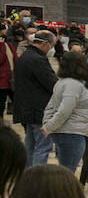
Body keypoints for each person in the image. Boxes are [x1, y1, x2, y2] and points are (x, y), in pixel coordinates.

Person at [42, 50, 88, 174]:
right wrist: (48, 126)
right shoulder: (73, 84)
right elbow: (64, 110)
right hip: (71, 134)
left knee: (65, 171)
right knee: (67, 174)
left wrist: (47, 124)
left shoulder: (62, 82)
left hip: (67, 132)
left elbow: (50, 106)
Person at [13, 29, 57, 165]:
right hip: (39, 111)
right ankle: (36, 181)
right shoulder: (38, 60)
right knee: (42, 149)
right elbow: (52, 84)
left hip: (26, 109)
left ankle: (28, 178)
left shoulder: (25, 56)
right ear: (45, 43)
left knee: (30, 148)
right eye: (52, 45)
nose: (52, 49)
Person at [0, 30, 15, 121]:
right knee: (1, 106)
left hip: (9, 80)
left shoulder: (8, 45)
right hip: (3, 82)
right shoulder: (4, 46)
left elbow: (15, 60)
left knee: (18, 103)